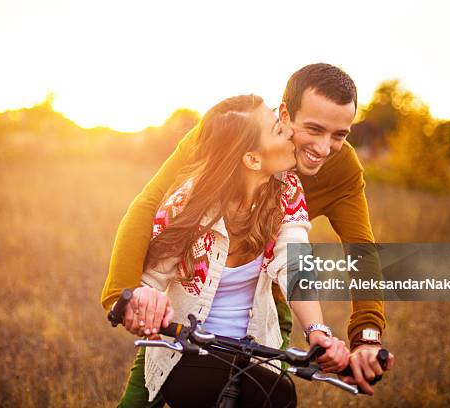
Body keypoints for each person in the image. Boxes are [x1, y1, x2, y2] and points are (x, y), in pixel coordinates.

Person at [101, 64, 395, 403]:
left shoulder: (317, 180)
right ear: (284, 115)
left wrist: (363, 338)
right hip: (189, 304)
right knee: (148, 385)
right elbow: (150, 206)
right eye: (313, 129)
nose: (325, 148)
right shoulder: (227, 132)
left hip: (266, 293)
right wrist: (129, 295)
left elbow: (357, 252)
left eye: (340, 135)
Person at [126, 94, 348, 407]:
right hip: (185, 351)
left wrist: (318, 331)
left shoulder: (288, 190)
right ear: (252, 159)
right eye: (276, 129)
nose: (288, 131)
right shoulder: (185, 205)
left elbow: (294, 264)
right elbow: (152, 281)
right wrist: (145, 300)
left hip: (256, 351)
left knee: (281, 398)